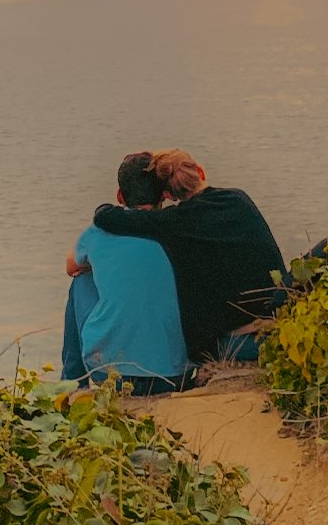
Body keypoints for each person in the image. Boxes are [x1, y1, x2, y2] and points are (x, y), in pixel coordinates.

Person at [90, 149, 285, 364]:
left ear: (168, 195)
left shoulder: (176, 222)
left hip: (236, 343)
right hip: (281, 323)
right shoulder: (239, 198)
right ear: (200, 172)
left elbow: (106, 217)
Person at [61, 152, 198, 395]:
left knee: (81, 282)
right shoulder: (180, 229)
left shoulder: (100, 229)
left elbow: (71, 266)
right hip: (175, 375)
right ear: (164, 195)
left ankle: (72, 385)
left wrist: (101, 262)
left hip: (111, 375)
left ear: (119, 196)